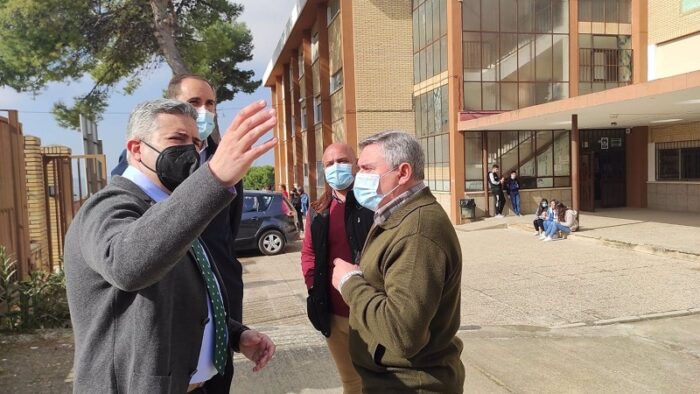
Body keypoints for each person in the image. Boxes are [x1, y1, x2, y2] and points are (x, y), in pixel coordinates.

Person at [64, 99, 277, 393]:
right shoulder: (107, 206)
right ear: (136, 149)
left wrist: (235, 334)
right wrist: (213, 178)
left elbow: (181, 301)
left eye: (196, 143)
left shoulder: (171, 209)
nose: (190, 151)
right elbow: (127, 267)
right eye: (177, 139)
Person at [331, 131, 465, 392]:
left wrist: (350, 283)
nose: (359, 178)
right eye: (359, 169)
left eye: (368, 169)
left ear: (403, 173)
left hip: (412, 384)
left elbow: (402, 333)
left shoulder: (418, 230)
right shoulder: (395, 215)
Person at [111, 74, 246, 326]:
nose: (203, 111)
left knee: (219, 362)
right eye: (194, 102)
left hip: (220, 290)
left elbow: (229, 230)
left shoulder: (228, 163)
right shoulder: (137, 163)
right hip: (167, 296)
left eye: (210, 103)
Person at [301, 143, 374, 394]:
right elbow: (308, 253)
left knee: (376, 380)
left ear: (355, 164)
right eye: (329, 163)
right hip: (332, 314)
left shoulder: (372, 204)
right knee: (351, 383)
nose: (336, 167)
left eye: (342, 160)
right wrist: (313, 284)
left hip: (368, 310)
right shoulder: (317, 210)